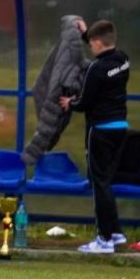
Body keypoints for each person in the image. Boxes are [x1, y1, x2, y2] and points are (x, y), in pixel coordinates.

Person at [61, 19, 131, 253]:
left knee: (98, 184)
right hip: (120, 128)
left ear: (98, 43)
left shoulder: (96, 69)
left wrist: (68, 103)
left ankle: (104, 238)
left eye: (91, 43)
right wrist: (86, 34)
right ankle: (117, 232)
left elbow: (84, 102)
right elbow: (103, 46)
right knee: (106, 182)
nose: (90, 48)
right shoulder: (123, 60)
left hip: (100, 130)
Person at [23, 15, 88, 167]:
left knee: (48, 123)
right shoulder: (72, 49)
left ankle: (28, 158)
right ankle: (29, 158)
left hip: (55, 91)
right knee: (50, 122)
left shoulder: (64, 45)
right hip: (59, 93)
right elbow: (82, 64)